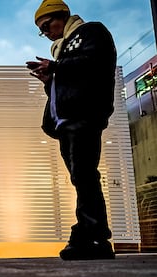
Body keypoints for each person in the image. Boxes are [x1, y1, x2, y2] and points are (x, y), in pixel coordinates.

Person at [26, 0, 116, 260]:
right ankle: (88, 233)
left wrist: (55, 67)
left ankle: (94, 236)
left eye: (46, 26)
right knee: (81, 177)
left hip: (84, 116)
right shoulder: (62, 50)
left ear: (62, 16)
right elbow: (68, 85)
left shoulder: (91, 32)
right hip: (67, 122)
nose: (46, 33)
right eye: (42, 30)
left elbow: (94, 61)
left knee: (85, 176)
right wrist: (49, 80)